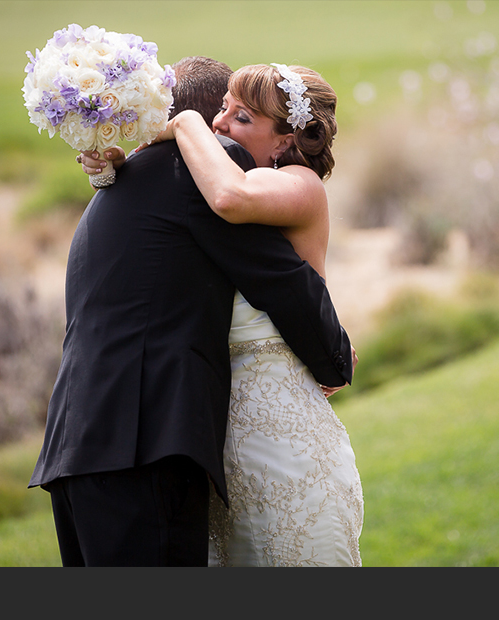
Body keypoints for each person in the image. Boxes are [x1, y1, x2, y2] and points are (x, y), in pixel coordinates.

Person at [30, 56, 354, 567]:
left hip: (90, 443)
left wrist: (168, 132)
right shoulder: (179, 179)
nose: (222, 127)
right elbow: (281, 283)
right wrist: (336, 356)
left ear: (287, 138)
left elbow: (281, 278)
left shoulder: (139, 183)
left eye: (240, 117)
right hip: (147, 448)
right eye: (222, 111)